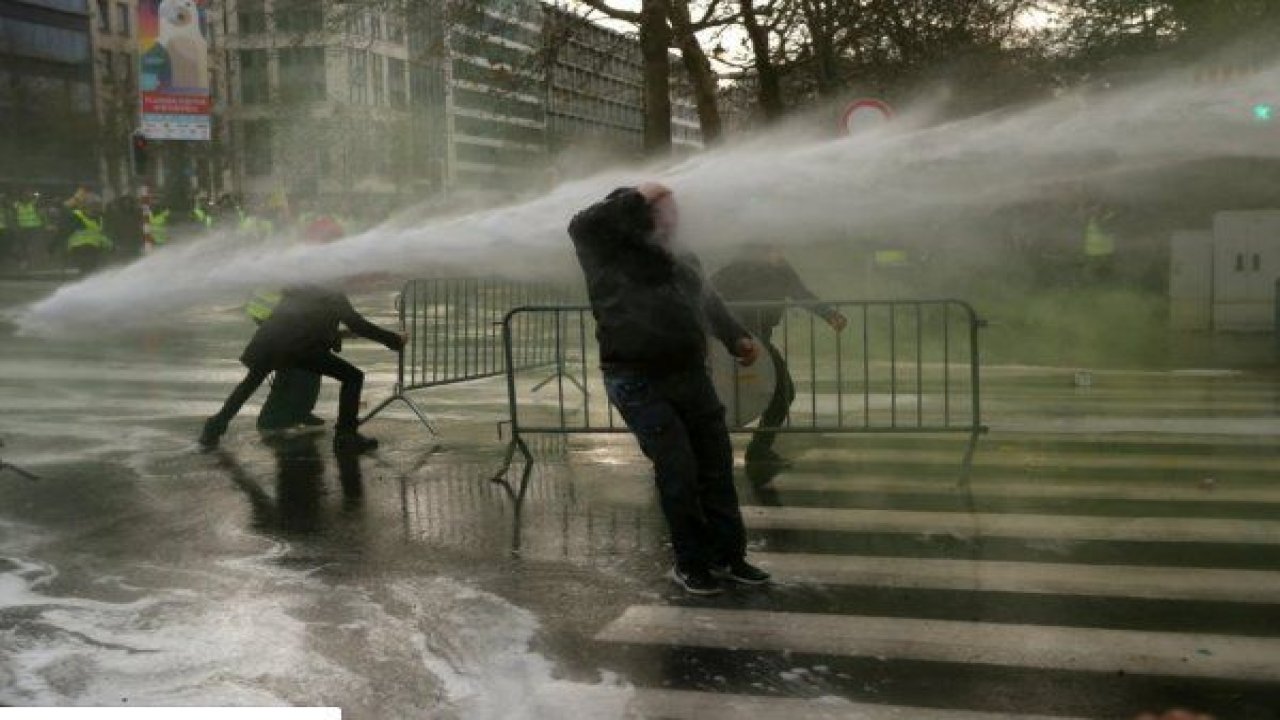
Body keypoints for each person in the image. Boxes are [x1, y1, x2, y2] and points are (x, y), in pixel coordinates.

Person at [568, 181, 770, 596]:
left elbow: (707, 301)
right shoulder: (607, 252)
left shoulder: (681, 256)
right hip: (637, 379)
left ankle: (729, 557)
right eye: (663, 209)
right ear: (638, 215)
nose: (674, 216)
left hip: (690, 375)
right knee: (679, 470)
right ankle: (690, 563)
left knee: (715, 467)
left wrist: (736, 338)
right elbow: (581, 223)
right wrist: (639, 195)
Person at [199, 284, 405, 454]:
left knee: (249, 384)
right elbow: (357, 324)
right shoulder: (332, 292)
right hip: (297, 348)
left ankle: (214, 427)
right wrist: (394, 340)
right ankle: (346, 436)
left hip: (270, 342)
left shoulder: (303, 286)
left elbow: (306, 321)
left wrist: (340, 335)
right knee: (353, 377)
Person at [711, 243, 847, 467]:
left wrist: (828, 314)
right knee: (720, 398)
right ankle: (709, 450)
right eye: (772, 250)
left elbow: (800, 293)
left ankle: (759, 450)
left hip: (759, 342)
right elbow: (707, 297)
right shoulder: (736, 270)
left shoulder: (781, 269)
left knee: (782, 393)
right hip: (732, 342)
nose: (779, 255)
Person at [66, 199, 114, 275]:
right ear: (86, 207)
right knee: (86, 266)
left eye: (97, 207)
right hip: (79, 246)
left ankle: (88, 282)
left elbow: (99, 234)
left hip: (92, 247)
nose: (95, 209)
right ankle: (86, 281)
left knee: (90, 267)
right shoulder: (77, 216)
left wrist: (109, 244)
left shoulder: (99, 219)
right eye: (92, 207)